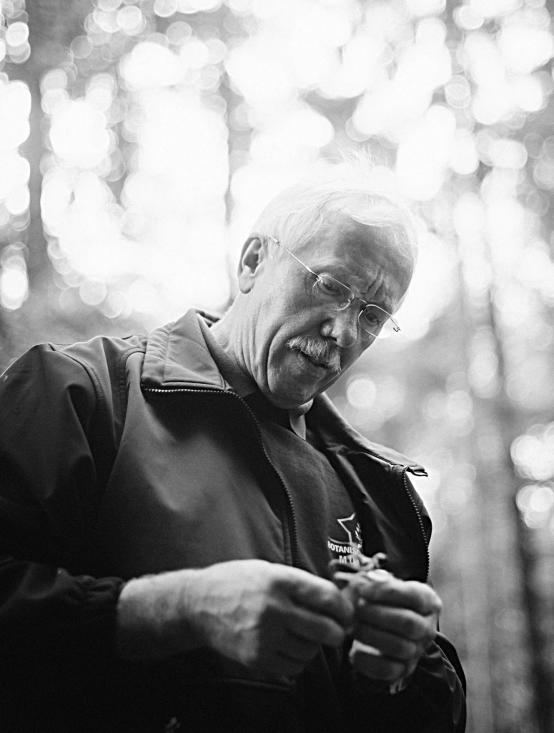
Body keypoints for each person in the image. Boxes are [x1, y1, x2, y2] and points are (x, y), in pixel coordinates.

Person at [0, 175, 466, 732]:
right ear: (252, 263)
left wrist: (405, 670)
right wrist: (179, 609)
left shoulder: (380, 489)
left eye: (371, 316)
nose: (342, 331)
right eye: (330, 286)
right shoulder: (80, 392)